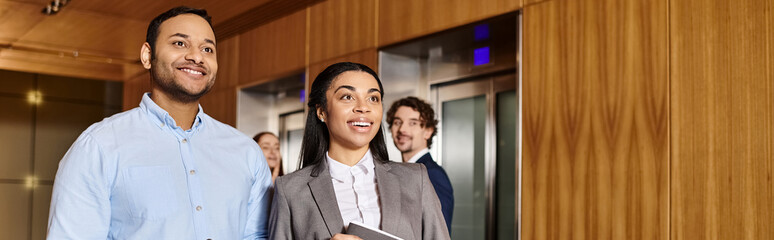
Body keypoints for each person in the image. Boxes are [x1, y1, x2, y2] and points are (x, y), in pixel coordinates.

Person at [47, 6, 272, 239]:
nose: (197, 57)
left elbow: (258, 235)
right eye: (180, 43)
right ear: (147, 55)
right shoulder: (99, 146)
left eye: (207, 49)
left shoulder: (246, 152)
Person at [268, 62, 450, 240]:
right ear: (321, 111)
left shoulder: (415, 179)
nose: (363, 107)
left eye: (373, 98)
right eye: (348, 97)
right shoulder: (290, 190)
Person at [386, 96, 454, 232]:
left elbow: (440, 231)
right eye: (397, 122)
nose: (402, 129)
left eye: (413, 123)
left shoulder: (432, 174)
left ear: (428, 131)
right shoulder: (400, 171)